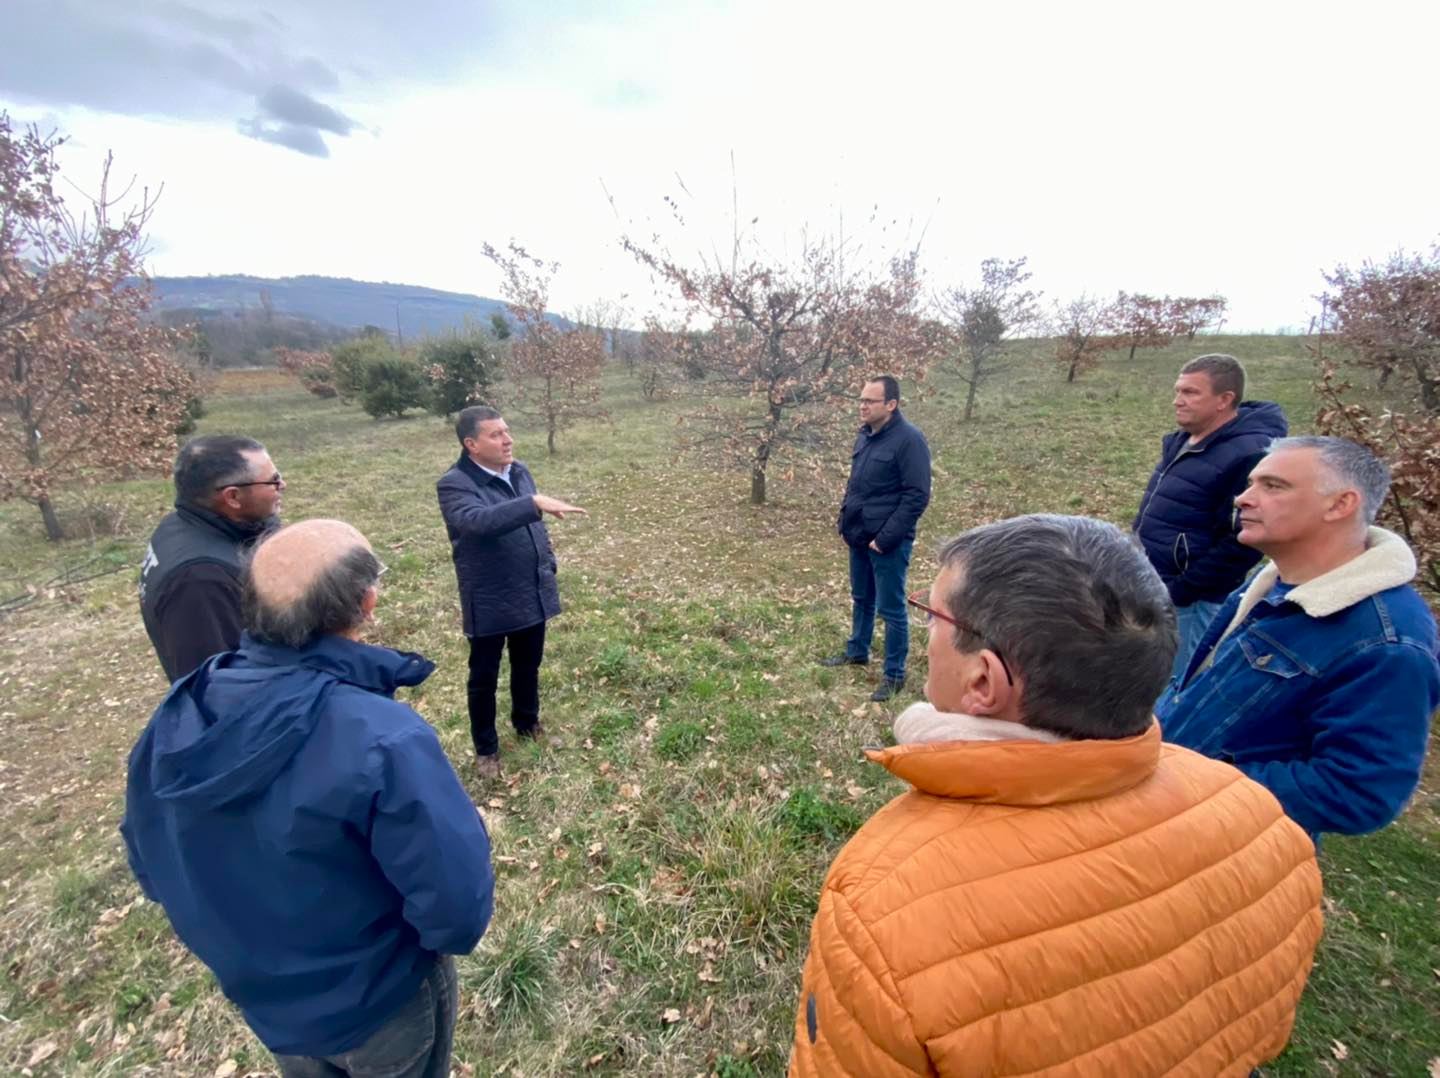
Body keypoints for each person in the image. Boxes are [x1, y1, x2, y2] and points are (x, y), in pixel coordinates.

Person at [791, 514, 1322, 1077]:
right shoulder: (1263, 823)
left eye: (932, 617)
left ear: (982, 683)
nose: (925, 635)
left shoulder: (883, 904)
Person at [122, 519, 493, 1078]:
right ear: (366, 603)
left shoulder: (179, 713)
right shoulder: (382, 737)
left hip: (269, 1007)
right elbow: (457, 912)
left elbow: (149, 863)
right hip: (382, 1002)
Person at [1159, 436, 1440, 840]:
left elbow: (1358, 792)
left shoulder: (1388, 642)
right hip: (1173, 815)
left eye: (1272, 486)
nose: (1243, 498)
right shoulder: (1271, 583)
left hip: (1230, 844)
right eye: (1251, 483)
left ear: (1340, 504)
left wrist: (1194, 781)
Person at [437, 406, 586, 778]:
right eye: (495, 434)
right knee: (484, 676)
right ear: (471, 444)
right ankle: (486, 749)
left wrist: (547, 562)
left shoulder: (518, 471)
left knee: (527, 665)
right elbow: (477, 522)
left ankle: (527, 724)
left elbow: (537, 530)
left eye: (507, 431)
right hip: (488, 596)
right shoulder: (455, 484)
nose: (508, 439)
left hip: (529, 588)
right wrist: (532, 503)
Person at [1134, 354, 1288, 679]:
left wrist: (1183, 589)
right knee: (1140, 679)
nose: (1178, 401)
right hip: (1153, 585)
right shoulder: (1184, 441)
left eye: (1190, 393)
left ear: (1224, 400)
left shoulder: (1250, 453)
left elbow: (1245, 541)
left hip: (1190, 602)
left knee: (1170, 690)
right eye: (1177, 391)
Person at [821, 374, 931, 702]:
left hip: (887, 542)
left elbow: (917, 495)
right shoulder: (865, 436)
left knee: (891, 608)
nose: (863, 406)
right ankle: (857, 651)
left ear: (891, 405)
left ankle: (894, 675)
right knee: (862, 599)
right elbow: (858, 485)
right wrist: (846, 521)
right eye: (861, 400)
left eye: (870, 401)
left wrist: (885, 539)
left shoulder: (910, 441)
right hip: (858, 535)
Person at [139, 434, 284, 681]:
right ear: (232, 497)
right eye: (273, 481)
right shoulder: (200, 580)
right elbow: (218, 685)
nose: (283, 485)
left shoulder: (184, 523)